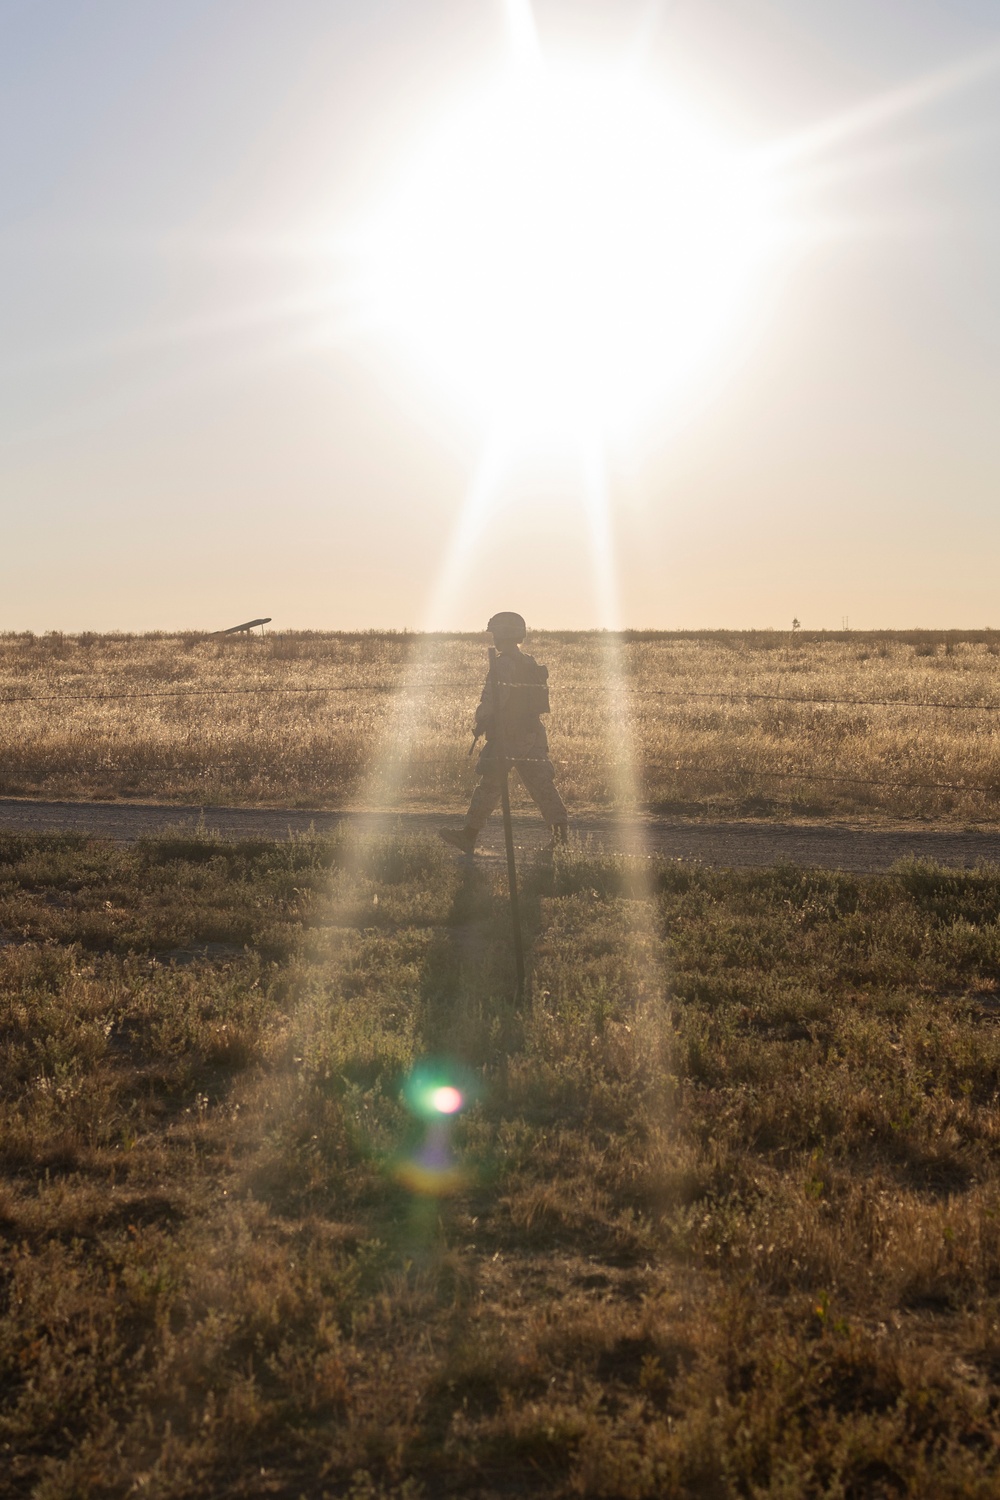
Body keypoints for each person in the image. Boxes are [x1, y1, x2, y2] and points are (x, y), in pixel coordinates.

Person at [439, 611, 568, 856]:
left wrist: (481, 718)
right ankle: (561, 839)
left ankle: (468, 836)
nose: (494, 638)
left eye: (496, 633)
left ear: (504, 634)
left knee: (490, 784)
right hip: (533, 732)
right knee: (543, 786)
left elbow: (495, 700)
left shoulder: (503, 663)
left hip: (510, 734)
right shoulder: (528, 661)